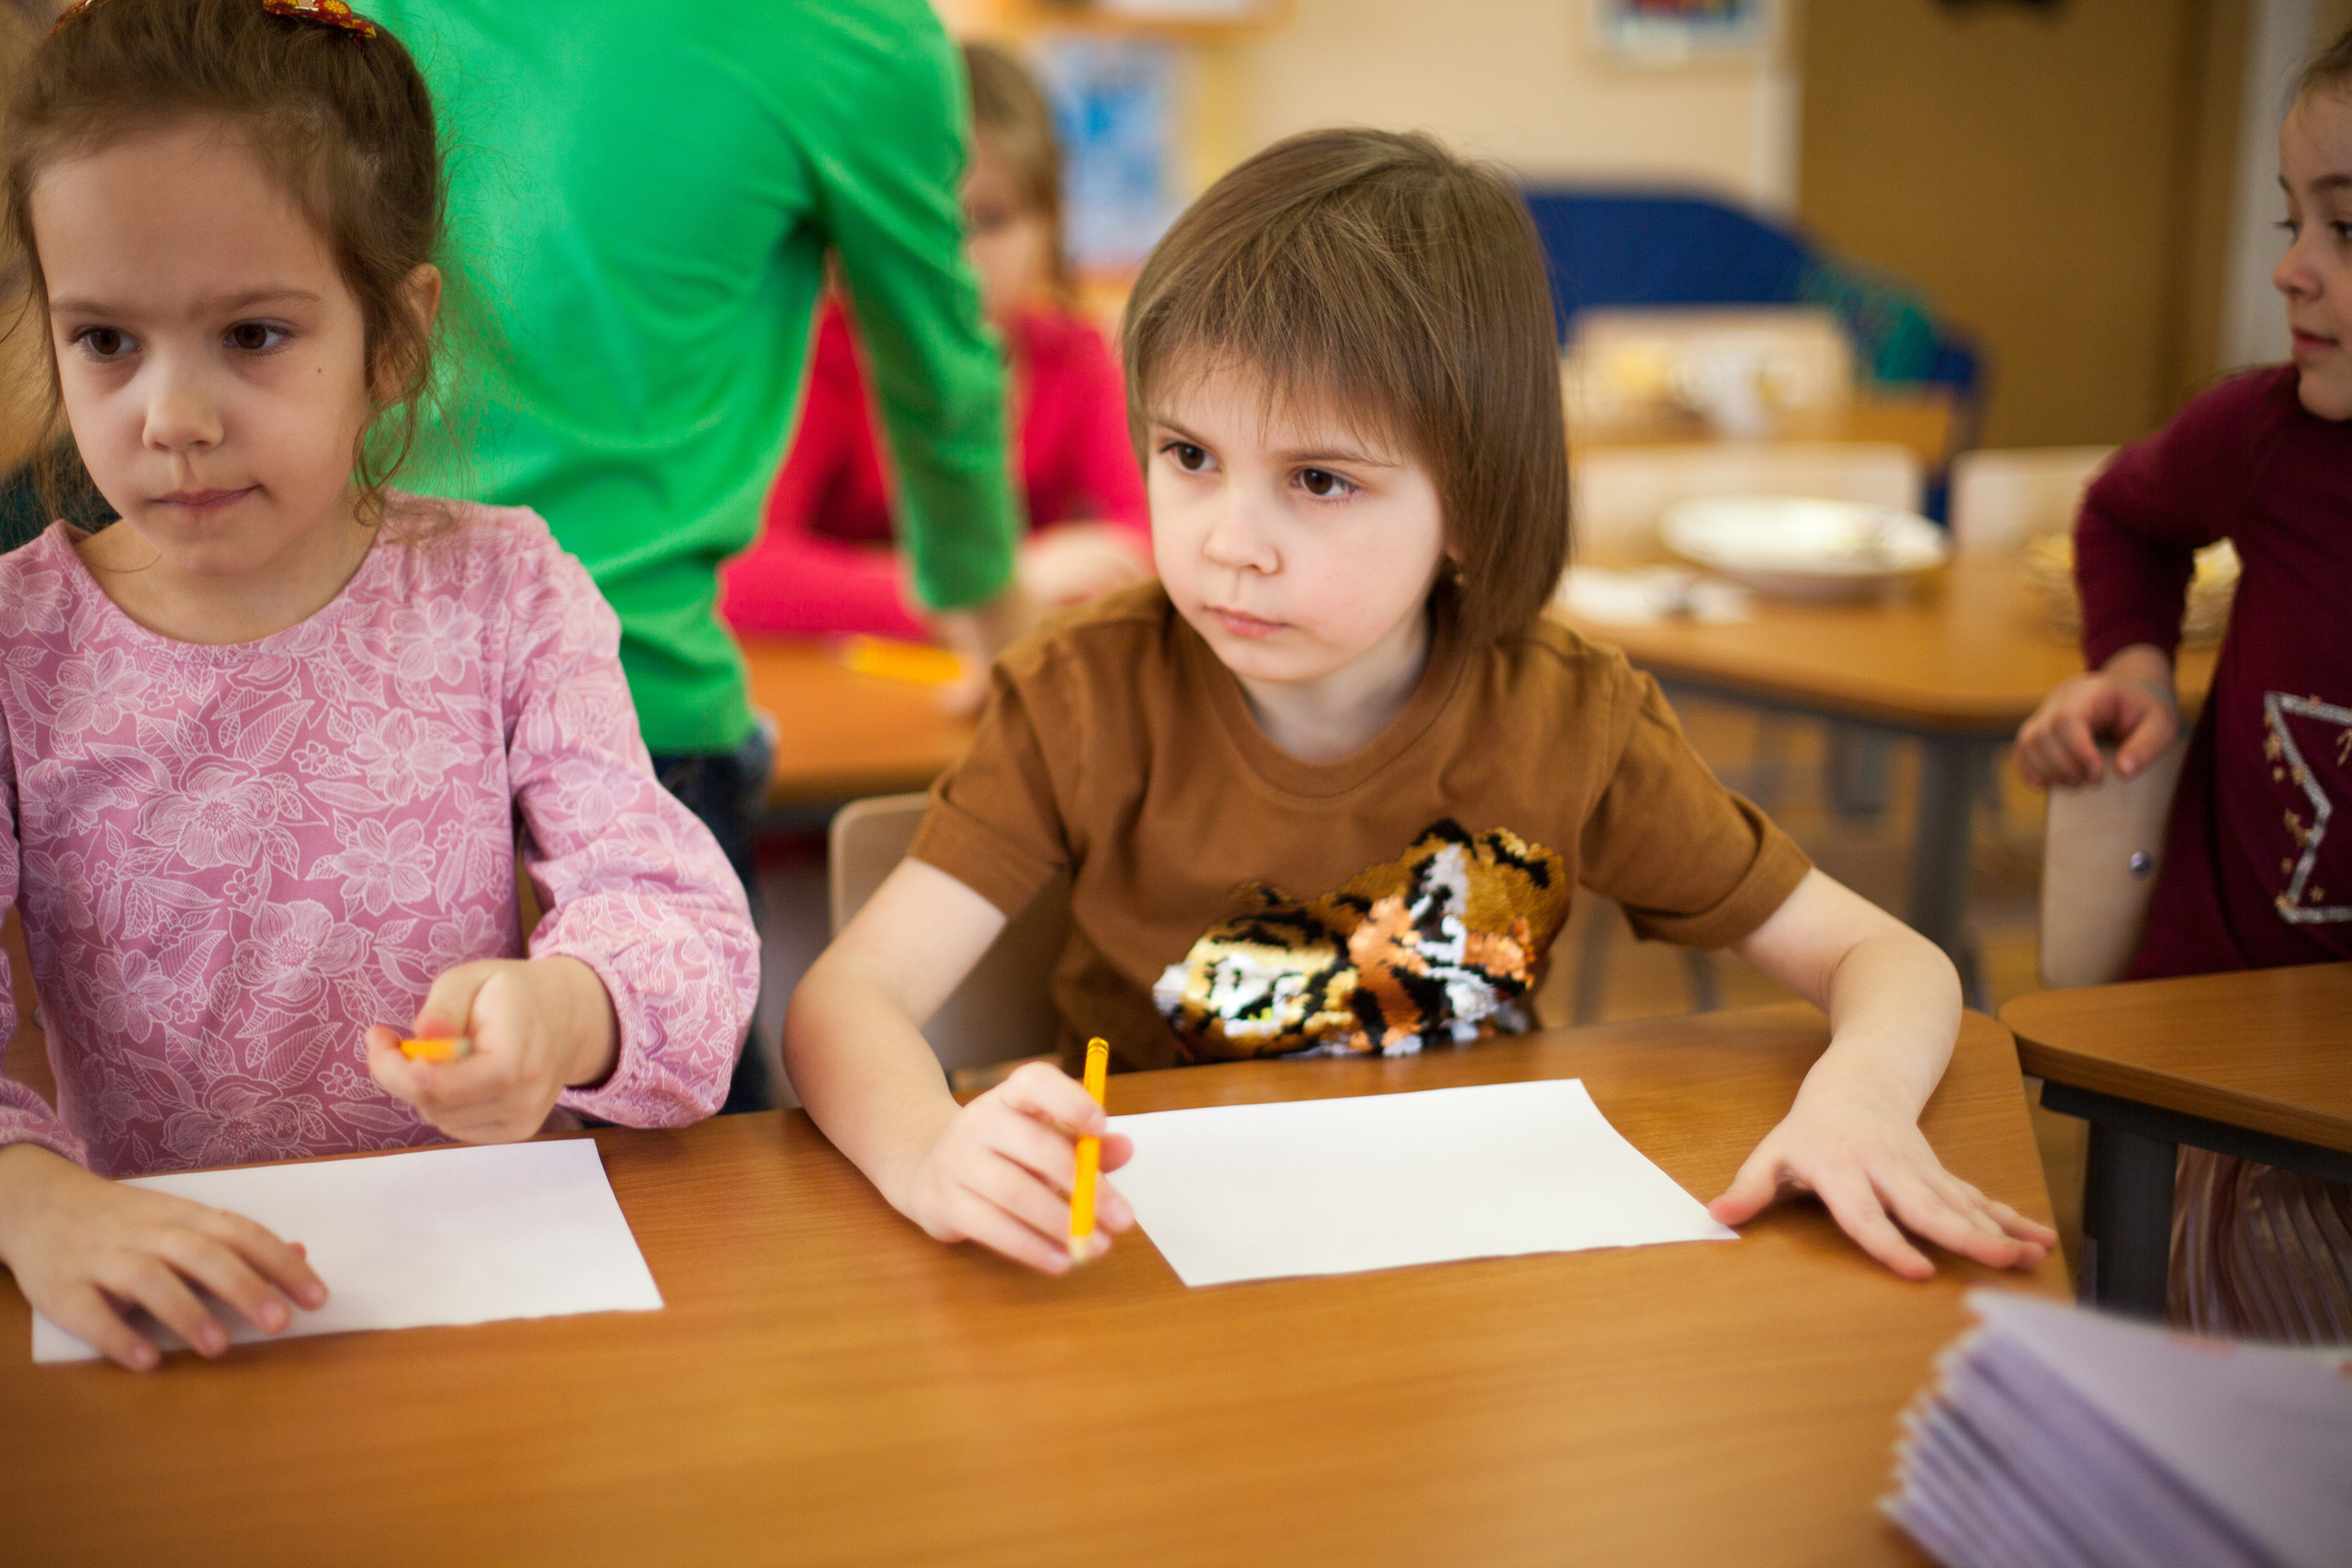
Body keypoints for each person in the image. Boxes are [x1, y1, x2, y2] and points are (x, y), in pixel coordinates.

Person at [783, 129, 2058, 1282]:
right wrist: (928, 1151)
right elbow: (847, 1001)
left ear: (1474, 498)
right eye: (1189, 456)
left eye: (1321, 480)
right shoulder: (1081, 694)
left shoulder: (1571, 720)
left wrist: (1861, 1102)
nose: (1232, 540)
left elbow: (1887, 958)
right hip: (1149, 1273)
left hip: (1469, 1270)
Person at [0, 0, 758, 1372]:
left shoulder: (504, 593)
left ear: (392, 340)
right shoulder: (17, 645)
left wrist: (568, 1009)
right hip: (178, 1320)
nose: (172, 415)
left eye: (253, 334)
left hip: (478, 1302)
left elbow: (685, 929)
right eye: (106, 339)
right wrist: (30, 1194)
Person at [368, 0, 1032, 1111]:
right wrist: (998, 629)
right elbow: (938, 379)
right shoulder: (849, 34)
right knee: (708, 1210)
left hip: (332, 685)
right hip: (630, 712)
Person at [2014, 28, 2352, 1344]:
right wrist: (2138, 663)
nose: (2290, 265)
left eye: (2345, 225)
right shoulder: (2266, 437)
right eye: (2294, 218)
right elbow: (2124, 515)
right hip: (2219, 1069)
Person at [720, 43, 1150, 642]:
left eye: (991, 219)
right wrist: (993, 589)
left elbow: (1160, 539)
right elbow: (741, 573)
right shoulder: (826, 358)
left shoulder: (1074, 360)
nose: (956, 261)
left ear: (1053, 223)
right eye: (923, 224)